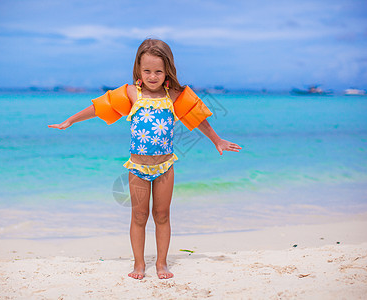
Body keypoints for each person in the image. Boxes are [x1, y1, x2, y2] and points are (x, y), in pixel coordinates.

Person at [48, 38, 242, 280]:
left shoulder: (174, 95)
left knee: (162, 215)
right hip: (137, 168)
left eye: (158, 71)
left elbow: (198, 117)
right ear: (138, 70)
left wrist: (217, 140)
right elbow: (99, 107)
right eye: (147, 71)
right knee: (139, 216)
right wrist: (70, 120)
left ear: (168, 70)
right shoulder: (131, 93)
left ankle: (161, 264)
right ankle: (139, 264)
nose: (152, 76)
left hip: (165, 167)